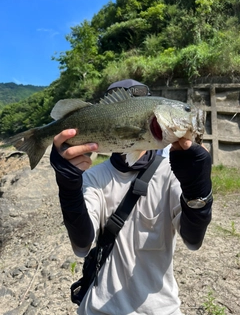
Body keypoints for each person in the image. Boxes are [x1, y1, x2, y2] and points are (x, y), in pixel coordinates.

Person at [50, 79, 213, 315]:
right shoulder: (92, 177)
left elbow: (193, 239)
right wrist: (68, 189)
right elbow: (82, 243)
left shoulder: (173, 171)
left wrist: (198, 189)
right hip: (97, 309)